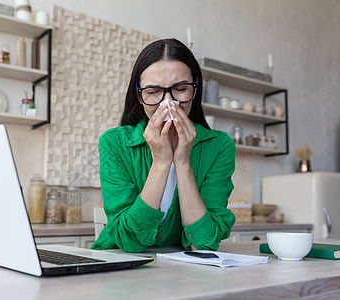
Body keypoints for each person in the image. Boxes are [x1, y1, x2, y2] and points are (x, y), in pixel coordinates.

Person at [91, 38, 236, 252]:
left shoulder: (219, 146)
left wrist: (183, 163)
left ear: (194, 91)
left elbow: (203, 243)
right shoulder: (114, 143)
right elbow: (130, 241)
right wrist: (161, 162)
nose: (168, 102)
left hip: (182, 274)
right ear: (139, 96)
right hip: (121, 265)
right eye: (153, 92)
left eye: (180, 88)